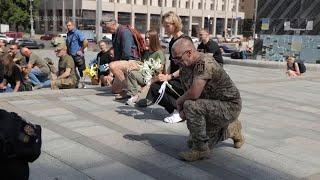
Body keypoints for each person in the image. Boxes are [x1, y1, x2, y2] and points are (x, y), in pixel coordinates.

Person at [171, 37, 244, 161]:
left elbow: (193, 94)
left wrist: (180, 102)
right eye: (173, 59)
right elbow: (189, 94)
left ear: (189, 53)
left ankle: (201, 150)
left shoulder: (204, 62)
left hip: (229, 106)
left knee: (190, 106)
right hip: (210, 106)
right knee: (191, 141)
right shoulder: (185, 70)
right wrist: (183, 111)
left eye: (178, 58)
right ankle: (232, 128)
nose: (175, 62)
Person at [137, 11, 190, 123]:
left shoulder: (185, 40)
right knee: (155, 86)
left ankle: (179, 111)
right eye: (164, 26)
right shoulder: (172, 41)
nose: (165, 29)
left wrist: (169, 77)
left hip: (185, 79)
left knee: (155, 88)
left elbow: (187, 67)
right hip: (175, 77)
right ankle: (175, 109)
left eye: (167, 26)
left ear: (175, 24)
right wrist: (165, 76)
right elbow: (172, 62)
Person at [100, 17, 142, 98]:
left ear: (112, 24)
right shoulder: (115, 33)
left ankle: (132, 91)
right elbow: (118, 56)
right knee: (115, 90)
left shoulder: (124, 32)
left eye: (107, 28)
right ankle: (127, 87)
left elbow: (127, 54)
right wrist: (112, 73)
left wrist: (116, 67)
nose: (106, 31)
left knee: (112, 65)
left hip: (133, 62)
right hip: (124, 62)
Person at [126, 30, 166, 105]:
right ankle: (134, 95)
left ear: (154, 39)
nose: (146, 40)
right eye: (146, 38)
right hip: (145, 76)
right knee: (131, 72)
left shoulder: (159, 53)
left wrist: (147, 86)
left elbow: (159, 73)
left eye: (149, 38)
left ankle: (141, 96)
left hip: (154, 80)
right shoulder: (147, 52)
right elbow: (144, 65)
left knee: (141, 104)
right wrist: (136, 67)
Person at [66, 21, 89, 88]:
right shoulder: (68, 34)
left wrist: (81, 50)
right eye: (67, 25)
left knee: (81, 70)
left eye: (69, 25)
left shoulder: (78, 32)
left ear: (73, 25)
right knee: (72, 70)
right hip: (71, 56)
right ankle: (76, 82)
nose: (68, 27)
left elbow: (86, 42)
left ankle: (83, 84)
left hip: (78, 56)